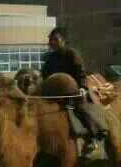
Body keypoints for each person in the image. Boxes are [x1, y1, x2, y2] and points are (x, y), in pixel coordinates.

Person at [41, 27, 108, 157]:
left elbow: (80, 71)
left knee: (81, 107)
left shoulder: (71, 53)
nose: (52, 42)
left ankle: (95, 135)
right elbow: (45, 75)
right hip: (55, 93)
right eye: (51, 40)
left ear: (63, 40)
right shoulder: (50, 58)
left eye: (55, 39)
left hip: (74, 90)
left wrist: (82, 87)